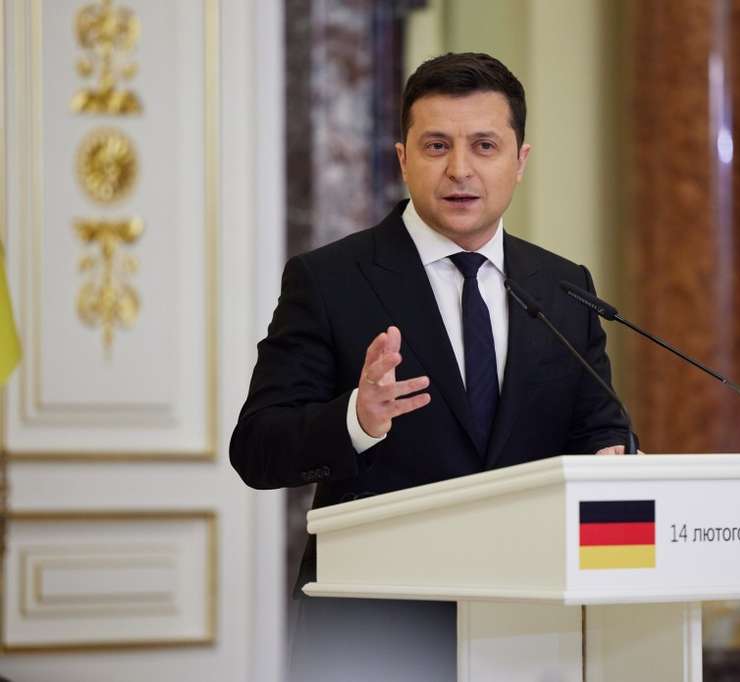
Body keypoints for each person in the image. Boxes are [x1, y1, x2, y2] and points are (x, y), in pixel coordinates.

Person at [231, 52, 632, 681]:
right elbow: (256, 448)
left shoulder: (563, 287)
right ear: (403, 158)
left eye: (485, 146)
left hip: (530, 631)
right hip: (375, 637)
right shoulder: (330, 279)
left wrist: (614, 457)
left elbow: (600, 428)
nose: (460, 169)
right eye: (437, 145)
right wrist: (356, 420)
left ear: (520, 160)